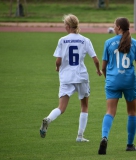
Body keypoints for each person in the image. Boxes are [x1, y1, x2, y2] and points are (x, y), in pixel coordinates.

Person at [40, 14, 102, 142]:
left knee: (61, 108)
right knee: (84, 106)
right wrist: (98, 69)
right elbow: (95, 59)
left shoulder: (62, 40)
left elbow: (58, 61)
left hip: (66, 77)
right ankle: (80, 136)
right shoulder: (85, 40)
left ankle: (49, 119)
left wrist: (57, 68)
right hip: (81, 76)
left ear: (68, 26)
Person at [98, 17, 136, 155]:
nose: (113, 28)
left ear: (118, 27)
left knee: (110, 112)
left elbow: (104, 67)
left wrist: (110, 79)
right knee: (132, 112)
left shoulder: (108, 43)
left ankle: (104, 137)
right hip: (129, 81)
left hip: (112, 81)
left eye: (114, 26)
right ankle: (130, 145)